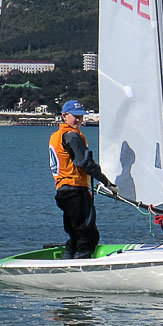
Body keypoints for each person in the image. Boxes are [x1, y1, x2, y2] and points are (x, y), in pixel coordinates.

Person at [49, 99, 119, 259]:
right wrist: (107, 182)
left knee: (75, 232)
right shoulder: (71, 136)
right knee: (87, 234)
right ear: (65, 116)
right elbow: (85, 162)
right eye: (76, 117)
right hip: (75, 191)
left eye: (81, 117)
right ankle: (81, 264)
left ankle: (68, 261)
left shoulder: (57, 136)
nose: (79, 121)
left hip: (63, 191)